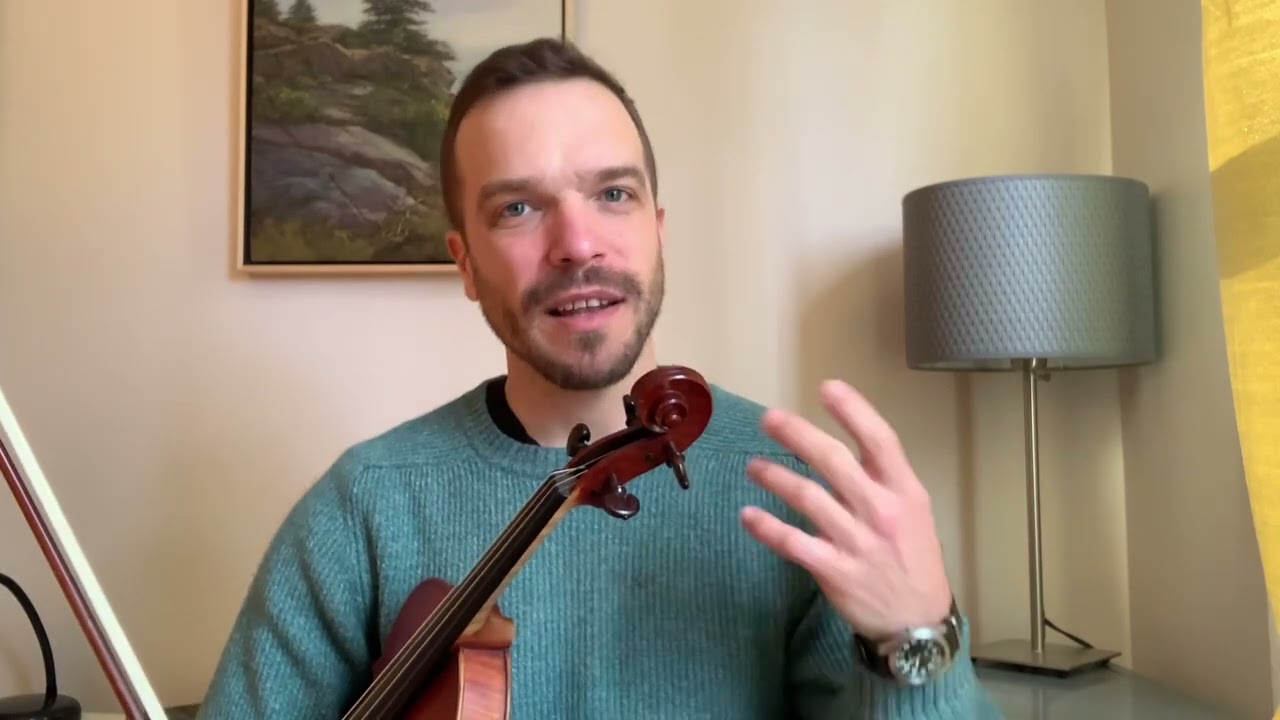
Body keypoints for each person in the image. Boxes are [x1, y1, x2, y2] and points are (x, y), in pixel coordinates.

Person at [196, 38, 1002, 719]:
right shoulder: (364, 506)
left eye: (612, 194)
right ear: (465, 264)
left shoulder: (798, 497)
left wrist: (918, 635)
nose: (578, 243)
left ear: (657, 232)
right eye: (518, 209)